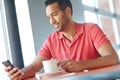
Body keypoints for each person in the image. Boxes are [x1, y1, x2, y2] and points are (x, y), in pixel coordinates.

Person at [4, 0, 119, 80]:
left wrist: (81, 65)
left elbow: (113, 58)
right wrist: (20, 74)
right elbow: (34, 66)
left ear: (68, 11)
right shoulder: (51, 40)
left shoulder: (91, 29)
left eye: (54, 14)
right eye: (49, 17)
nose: (51, 21)